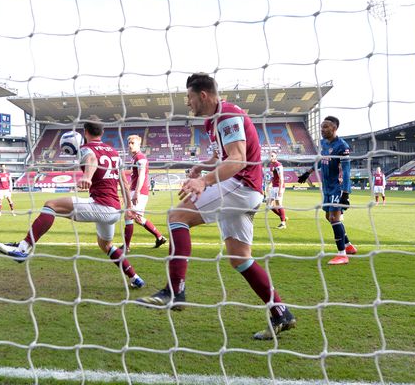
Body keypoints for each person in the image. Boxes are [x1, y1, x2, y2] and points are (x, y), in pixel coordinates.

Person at [136, 73, 296, 340]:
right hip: (245, 190)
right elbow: (221, 156)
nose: (187, 103)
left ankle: (174, 291)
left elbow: (238, 160)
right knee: (239, 257)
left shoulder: (227, 115)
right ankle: (281, 312)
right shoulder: (213, 120)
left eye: (188, 97)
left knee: (177, 216)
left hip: (241, 185)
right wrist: (203, 165)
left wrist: (204, 181)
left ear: (203, 95)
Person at [0, 122, 145, 289]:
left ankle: (23, 248)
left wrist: (87, 176)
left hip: (100, 206)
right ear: (102, 132)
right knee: (106, 245)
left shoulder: (86, 148)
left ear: (85, 132)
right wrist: (129, 207)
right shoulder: (114, 152)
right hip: (115, 209)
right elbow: (123, 180)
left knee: (50, 205)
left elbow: (92, 159)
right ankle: (135, 277)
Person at [297, 116, 358, 265]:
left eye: (326, 127)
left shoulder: (342, 146)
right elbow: (320, 159)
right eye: (321, 127)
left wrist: (345, 193)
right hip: (327, 187)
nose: (322, 130)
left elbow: (346, 170)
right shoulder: (323, 143)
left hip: (338, 187)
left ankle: (342, 255)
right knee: (328, 217)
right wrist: (308, 172)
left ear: (334, 128)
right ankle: (348, 245)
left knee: (334, 218)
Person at [123, 135, 167, 252]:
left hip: (140, 191)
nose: (130, 145)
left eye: (133, 143)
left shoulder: (140, 157)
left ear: (139, 144)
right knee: (137, 218)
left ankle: (126, 247)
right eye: (129, 143)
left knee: (129, 215)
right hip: (135, 190)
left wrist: (136, 192)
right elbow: (136, 175)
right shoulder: (135, 158)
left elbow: (142, 175)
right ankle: (159, 237)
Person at [266, 151, 288, 229]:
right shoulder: (271, 165)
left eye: (272, 156)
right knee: (268, 205)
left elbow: (281, 178)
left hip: (279, 187)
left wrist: (280, 190)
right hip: (273, 187)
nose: (271, 157)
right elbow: (273, 177)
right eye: (270, 156)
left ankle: (283, 223)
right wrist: (269, 185)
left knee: (278, 204)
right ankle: (283, 217)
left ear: (276, 157)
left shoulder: (278, 166)